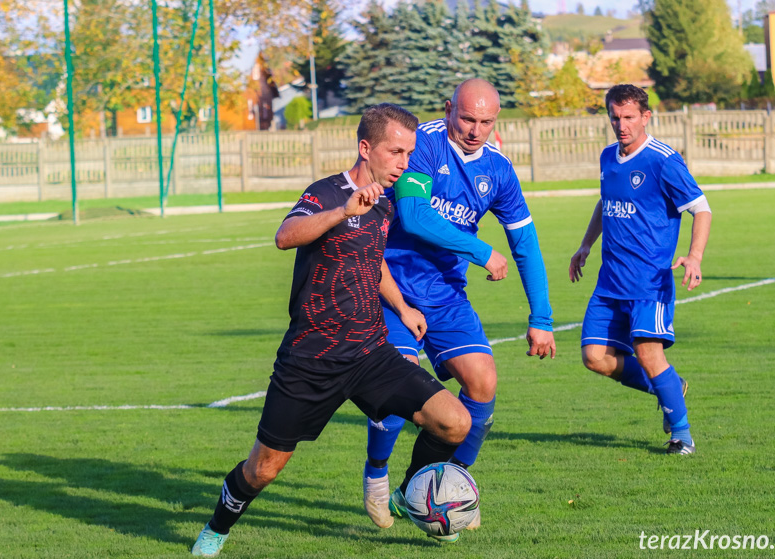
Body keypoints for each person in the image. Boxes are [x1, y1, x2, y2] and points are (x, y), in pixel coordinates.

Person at [191, 104, 471, 557]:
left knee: (454, 421)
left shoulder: (386, 201)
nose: (405, 162)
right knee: (262, 470)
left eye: (410, 152)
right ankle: (217, 528)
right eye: (396, 152)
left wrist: (402, 307)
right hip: (310, 359)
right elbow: (285, 236)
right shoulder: (326, 192)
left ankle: (407, 496)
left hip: (370, 353)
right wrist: (342, 211)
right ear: (366, 148)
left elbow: (372, 258)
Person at [362, 79, 556, 530]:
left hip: (446, 293)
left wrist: (541, 317)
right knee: (397, 389)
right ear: (450, 108)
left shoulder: (499, 171)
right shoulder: (422, 145)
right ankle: (375, 474)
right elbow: (412, 214)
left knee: (483, 384)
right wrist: (479, 250)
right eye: (467, 118)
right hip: (392, 287)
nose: (475, 129)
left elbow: (525, 243)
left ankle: (439, 487)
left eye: (486, 121)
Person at [568, 84, 712, 455]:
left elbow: (702, 208)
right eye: (615, 117)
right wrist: (586, 244)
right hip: (610, 282)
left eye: (629, 117)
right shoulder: (607, 157)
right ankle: (669, 387)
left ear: (646, 117)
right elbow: (606, 202)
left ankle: (682, 436)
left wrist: (694, 256)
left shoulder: (663, 160)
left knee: (648, 353)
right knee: (594, 358)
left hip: (650, 281)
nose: (621, 124)